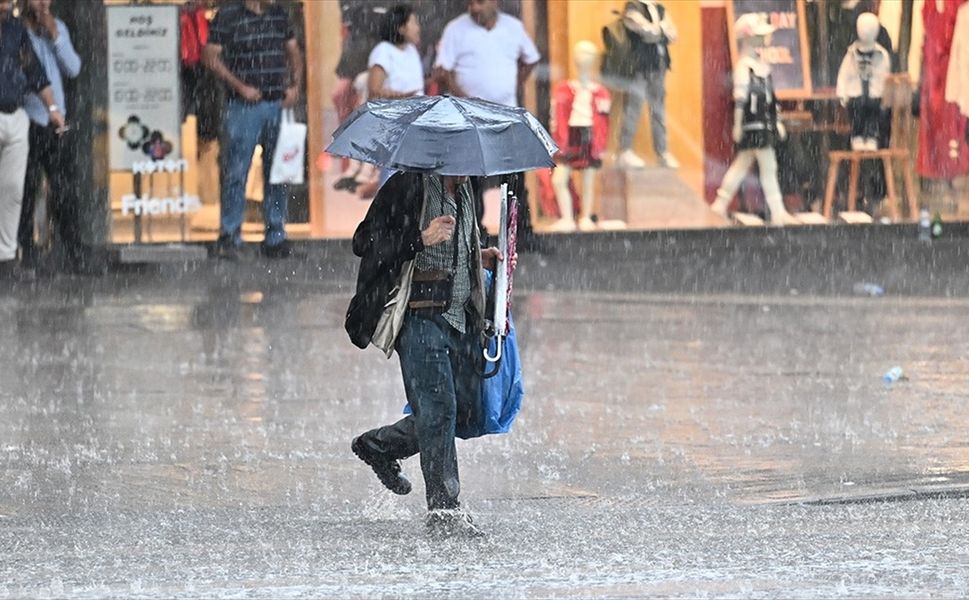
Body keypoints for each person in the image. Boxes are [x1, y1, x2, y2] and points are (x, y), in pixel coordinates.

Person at [346, 170, 509, 538]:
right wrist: (419, 238)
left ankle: (380, 446)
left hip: (460, 317)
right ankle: (445, 512)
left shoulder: (467, 188)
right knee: (438, 412)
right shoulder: (408, 185)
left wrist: (477, 256)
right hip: (420, 318)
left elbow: (454, 249)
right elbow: (364, 241)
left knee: (463, 410)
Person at [203, 0, 303, 260]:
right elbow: (210, 57)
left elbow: (293, 51)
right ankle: (230, 234)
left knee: (278, 172)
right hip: (243, 106)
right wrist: (240, 86)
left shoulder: (279, 14)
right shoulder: (229, 16)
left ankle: (275, 236)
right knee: (237, 170)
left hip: (275, 103)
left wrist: (295, 86)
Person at [434, 0, 541, 244]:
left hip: (505, 116)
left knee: (514, 177)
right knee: (471, 180)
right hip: (469, 119)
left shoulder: (513, 27)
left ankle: (520, 232)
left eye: (480, 2)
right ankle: (474, 235)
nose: (475, 8)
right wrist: (463, 97)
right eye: (471, 3)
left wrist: (516, 83)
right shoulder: (456, 29)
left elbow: (531, 58)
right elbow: (442, 70)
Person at [0, 0, 64, 282]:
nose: (6, 5)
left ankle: (6, 256)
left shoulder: (14, 30)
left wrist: (52, 109)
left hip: (15, 114)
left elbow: (36, 72)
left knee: (13, 189)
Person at [16, 0, 82, 275]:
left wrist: (55, 34)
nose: (42, 4)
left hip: (57, 122)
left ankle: (71, 249)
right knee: (26, 190)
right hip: (29, 119)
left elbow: (74, 68)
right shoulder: (16, 33)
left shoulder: (59, 28)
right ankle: (26, 252)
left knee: (64, 188)